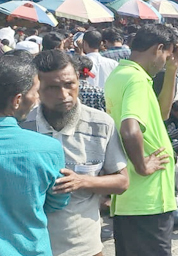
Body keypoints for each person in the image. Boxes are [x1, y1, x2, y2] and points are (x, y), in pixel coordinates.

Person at [26, 51, 130, 255]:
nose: (63, 95)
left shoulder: (101, 124)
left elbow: (122, 182)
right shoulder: (24, 127)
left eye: (69, 85)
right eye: (52, 88)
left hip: (86, 247)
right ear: (37, 88)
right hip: (35, 247)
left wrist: (82, 182)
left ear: (78, 80)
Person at [104, 24, 178, 256]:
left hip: (132, 200)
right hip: (147, 200)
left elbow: (162, 114)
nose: (166, 60)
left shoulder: (122, 75)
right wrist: (143, 165)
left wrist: (172, 69)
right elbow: (130, 129)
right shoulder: (137, 81)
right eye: (166, 55)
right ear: (159, 48)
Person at [0, 51, 70, 256]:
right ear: (17, 100)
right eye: (35, 92)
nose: (37, 98)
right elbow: (57, 201)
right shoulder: (48, 149)